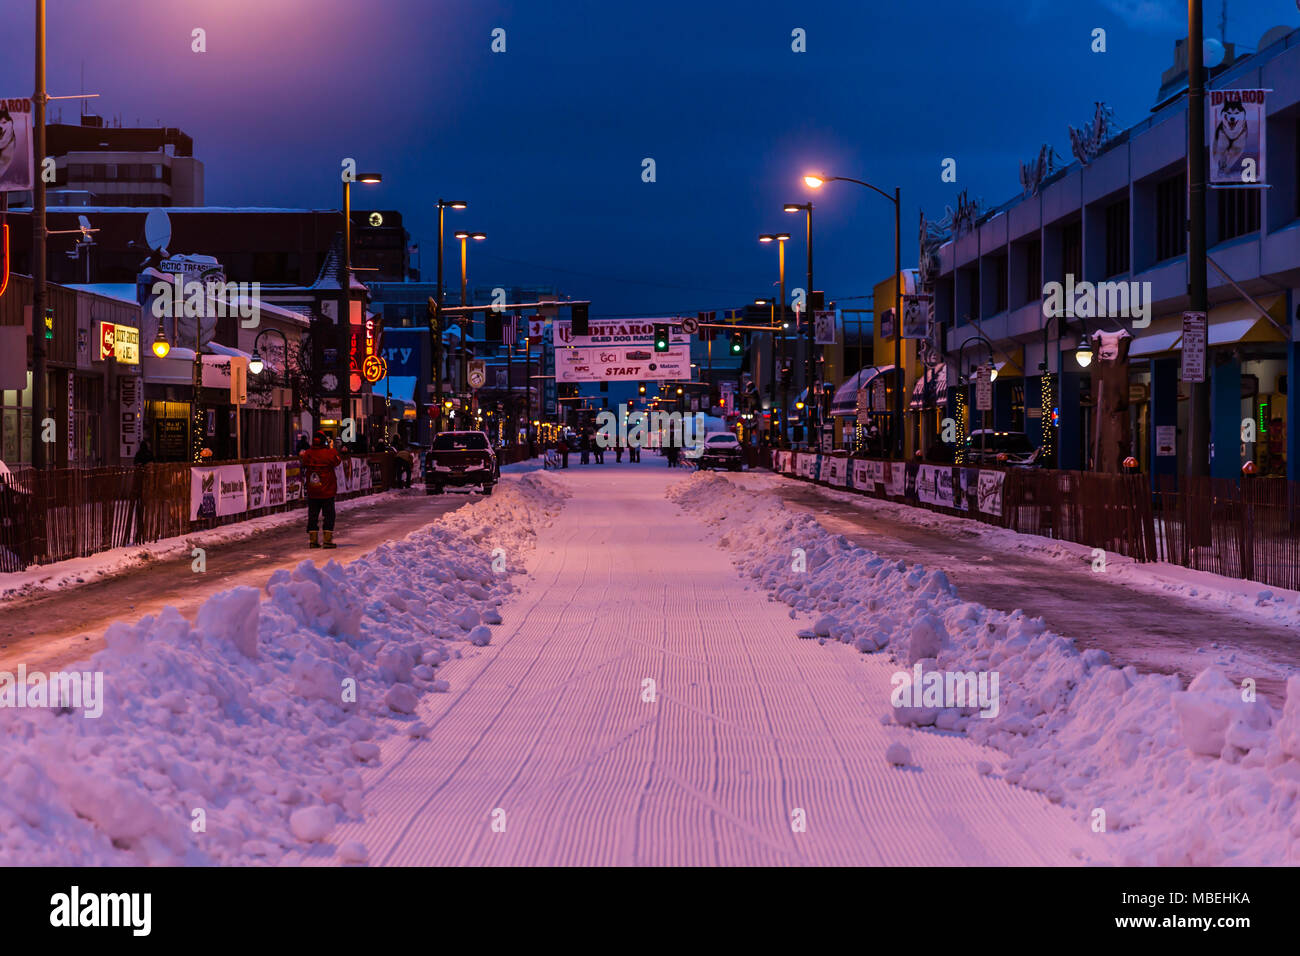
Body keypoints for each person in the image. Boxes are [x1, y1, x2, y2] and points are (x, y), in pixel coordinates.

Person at [300, 431, 343, 548]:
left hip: (313, 490)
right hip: (327, 490)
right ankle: (327, 540)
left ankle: (313, 540)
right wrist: (331, 448)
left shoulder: (308, 453)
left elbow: (304, 463)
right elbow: (337, 461)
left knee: (313, 515)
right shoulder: (329, 453)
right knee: (329, 515)